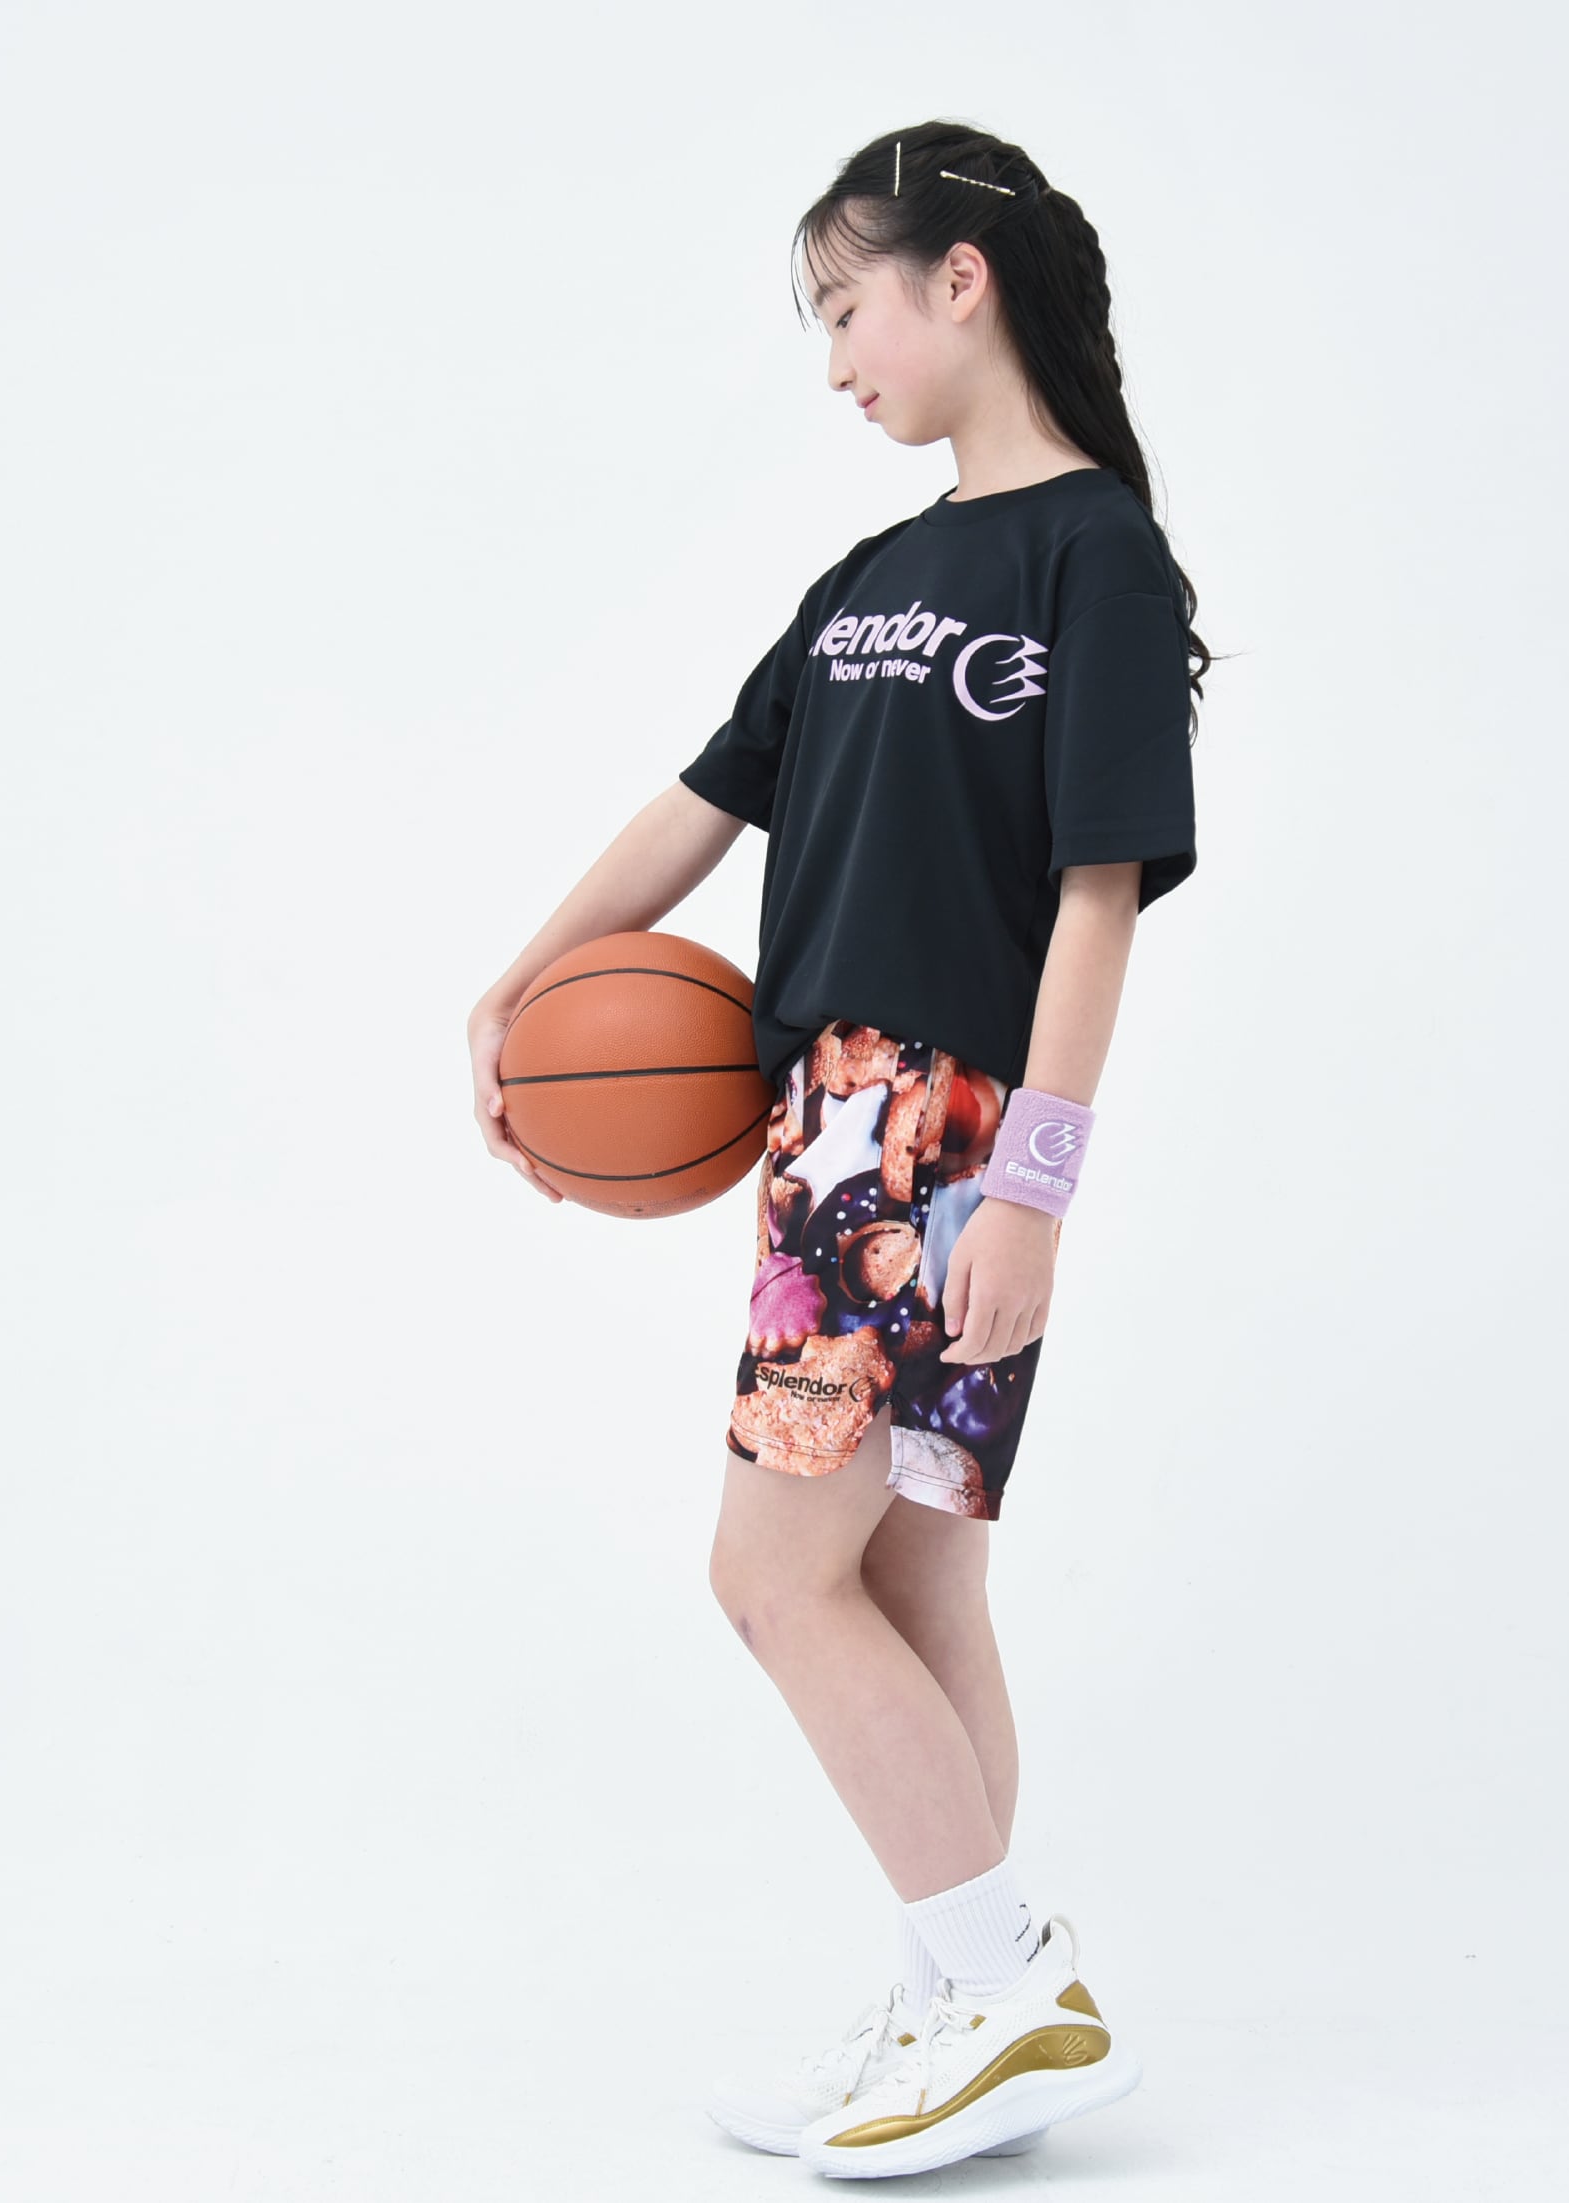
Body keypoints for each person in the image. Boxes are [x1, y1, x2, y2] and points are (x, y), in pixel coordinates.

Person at [466, 120, 1210, 2180]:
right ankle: (957, 1999)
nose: (832, 360)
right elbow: (705, 802)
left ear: (959, 278)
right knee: (906, 1570)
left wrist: (1031, 1185)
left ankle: (1009, 1986)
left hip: (933, 1130)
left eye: (844, 306)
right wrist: (519, 984)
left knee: (767, 1577)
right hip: (832, 1123)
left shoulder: (1093, 556)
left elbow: (1097, 895)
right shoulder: (872, 578)